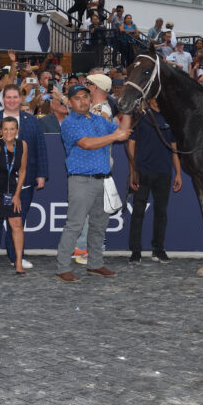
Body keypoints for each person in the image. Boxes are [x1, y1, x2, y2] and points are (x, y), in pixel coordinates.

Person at [54, 84, 131, 283]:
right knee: (75, 225)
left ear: (90, 98)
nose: (82, 101)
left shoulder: (99, 120)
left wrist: (128, 111)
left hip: (103, 180)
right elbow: (86, 143)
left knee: (99, 226)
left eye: (85, 97)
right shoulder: (70, 122)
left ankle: (95, 264)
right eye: (77, 98)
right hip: (81, 180)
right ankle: (62, 268)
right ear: (70, 102)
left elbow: (123, 131)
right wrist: (115, 136)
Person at [126, 97, 183, 263]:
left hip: (164, 173)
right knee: (137, 213)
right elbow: (131, 145)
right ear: (149, 99)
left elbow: (174, 149)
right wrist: (132, 172)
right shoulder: (140, 117)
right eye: (154, 97)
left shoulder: (170, 118)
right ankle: (135, 251)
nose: (158, 100)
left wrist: (178, 173)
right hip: (142, 172)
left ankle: (158, 249)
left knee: (161, 214)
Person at [0, 116, 28, 273]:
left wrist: (17, 194)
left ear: (17, 130)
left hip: (12, 191)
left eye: (12, 129)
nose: (9, 132)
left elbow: (22, 171)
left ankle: (18, 263)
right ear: (1, 131)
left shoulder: (22, 145)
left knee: (17, 224)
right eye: (6, 129)